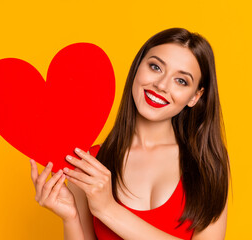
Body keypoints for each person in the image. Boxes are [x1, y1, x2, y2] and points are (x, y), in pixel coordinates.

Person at [29, 28, 230, 240]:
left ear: (195, 96)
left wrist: (108, 209)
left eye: (181, 81)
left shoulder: (207, 162)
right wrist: (70, 217)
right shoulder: (88, 161)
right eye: (155, 67)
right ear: (137, 67)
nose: (161, 85)